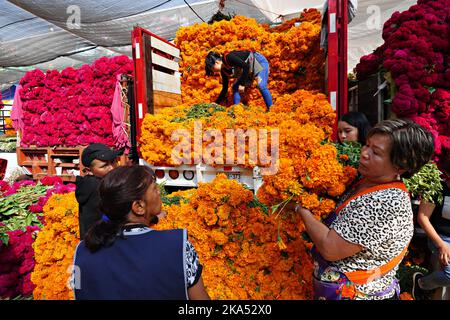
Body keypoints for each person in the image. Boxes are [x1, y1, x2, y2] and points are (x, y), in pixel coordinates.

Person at [287, 119, 434, 300]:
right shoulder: (366, 180)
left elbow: (329, 248)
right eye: (367, 145)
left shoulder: (384, 202)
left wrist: (299, 208)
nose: (364, 153)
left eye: (376, 152)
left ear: (401, 165)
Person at [72, 165, 210, 300]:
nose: (159, 193)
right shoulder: (177, 246)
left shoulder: (82, 250)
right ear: (138, 207)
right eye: (155, 189)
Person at [413, 148, 450, 300]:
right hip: (442, 239)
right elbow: (423, 217)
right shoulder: (437, 188)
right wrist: (441, 244)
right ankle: (422, 283)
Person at [75, 143, 122, 239]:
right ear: (89, 170)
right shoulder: (98, 187)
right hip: (101, 243)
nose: (112, 167)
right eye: (104, 166)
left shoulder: (93, 182)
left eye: (113, 161)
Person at [205, 50, 273, 111]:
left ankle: (271, 109)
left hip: (258, 62)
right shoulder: (224, 71)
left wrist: (242, 84)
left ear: (216, 62)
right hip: (249, 70)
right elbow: (225, 88)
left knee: (261, 85)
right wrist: (216, 102)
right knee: (235, 87)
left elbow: (245, 66)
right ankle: (237, 110)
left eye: (212, 68)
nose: (213, 71)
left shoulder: (228, 57)